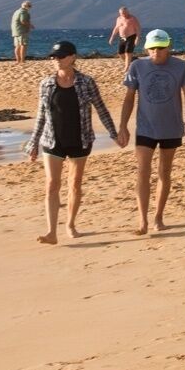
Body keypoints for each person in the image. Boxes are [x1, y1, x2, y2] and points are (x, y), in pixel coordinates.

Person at [26, 40, 121, 245]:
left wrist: (114, 133)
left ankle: (70, 223)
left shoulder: (87, 82)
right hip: (52, 140)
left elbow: (101, 109)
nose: (56, 60)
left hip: (80, 139)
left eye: (60, 56)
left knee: (75, 184)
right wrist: (33, 143)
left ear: (72, 57)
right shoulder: (46, 83)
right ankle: (51, 232)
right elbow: (41, 115)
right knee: (52, 184)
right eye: (53, 57)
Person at [117, 28, 185, 234]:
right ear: (146, 48)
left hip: (172, 128)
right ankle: (142, 220)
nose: (156, 52)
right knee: (143, 172)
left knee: (164, 172)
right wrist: (123, 126)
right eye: (152, 48)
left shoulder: (181, 67)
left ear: (168, 47)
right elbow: (129, 98)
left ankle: (158, 217)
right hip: (145, 128)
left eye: (161, 48)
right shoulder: (137, 66)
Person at [11, 0, 35, 64]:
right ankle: (22, 60)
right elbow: (23, 21)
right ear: (26, 6)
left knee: (17, 46)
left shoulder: (16, 11)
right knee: (23, 45)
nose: (30, 8)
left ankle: (18, 60)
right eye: (29, 6)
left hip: (15, 31)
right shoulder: (23, 12)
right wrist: (30, 25)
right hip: (22, 31)